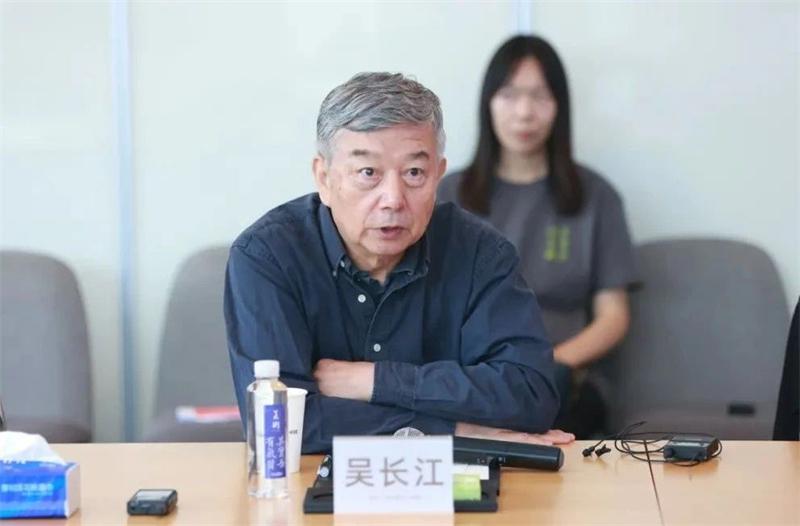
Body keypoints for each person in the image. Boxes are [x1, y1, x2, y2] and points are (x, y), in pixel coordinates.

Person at [225, 72, 574, 453]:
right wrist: (455, 430)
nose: (393, 198)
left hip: (456, 485)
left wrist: (373, 381)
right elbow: (283, 423)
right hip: (311, 485)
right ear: (323, 178)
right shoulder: (268, 257)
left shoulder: (481, 254)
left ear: (438, 175)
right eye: (368, 173)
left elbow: (531, 396)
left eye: (414, 173)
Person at [438, 36, 638, 436]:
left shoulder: (596, 196)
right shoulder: (449, 195)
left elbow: (614, 316)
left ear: (559, 106)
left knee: (543, 407)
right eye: (509, 95)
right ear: (488, 103)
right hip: (470, 377)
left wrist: (549, 365)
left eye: (539, 96)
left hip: (563, 376)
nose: (524, 112)